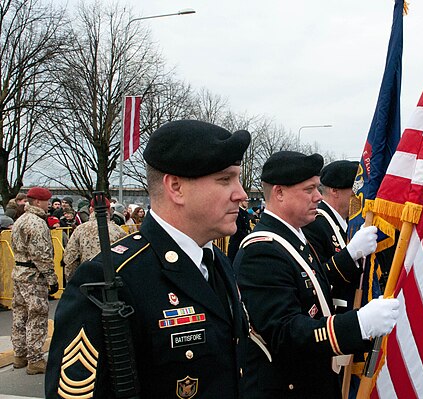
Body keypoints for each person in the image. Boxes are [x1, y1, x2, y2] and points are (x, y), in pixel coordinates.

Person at [46, 120, 251, 398]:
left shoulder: (215, 261)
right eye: (225, 179)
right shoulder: (110, 280)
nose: (241, 194)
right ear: (176, 187)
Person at [234, 151, 400, 399]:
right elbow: (285, 333)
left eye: (318, 188)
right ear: (279, 193)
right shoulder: (262, 250)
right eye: (309, 189)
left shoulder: (296, 238)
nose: (318, 197)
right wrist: (357, 325)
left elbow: (319, 291)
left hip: (314, 377)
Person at [303, 160, 377, 314]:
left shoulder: (347, 223)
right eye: (354, 191)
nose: (359, 197)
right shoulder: (315, 223)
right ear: (334, 191)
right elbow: (317, 278)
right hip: (334, 316)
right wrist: (351, 253)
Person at [11, 186, 59, 375]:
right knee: (37, 317)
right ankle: (35, 359)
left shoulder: (20, 220)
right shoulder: (37, 224)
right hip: (33, 276)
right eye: (47, 201)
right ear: (38, 202)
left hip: (19, 272)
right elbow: (42, 255)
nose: (48, 205)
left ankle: (20, 355)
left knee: (19, 316)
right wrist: (51, 278)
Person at [62, 198, 127, 281]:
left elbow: (70, 258)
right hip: (111, 279)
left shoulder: (80, 229)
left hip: (87, 279)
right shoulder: (119, 231)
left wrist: (72, 280)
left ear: (91, 209)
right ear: (109, 210)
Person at [227, 196, 252, 261]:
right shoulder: (237, 212)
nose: (247, 203)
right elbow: (237, 229)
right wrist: (246, 236)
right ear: (241, 202)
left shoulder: (244, 213)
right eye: (246, 201)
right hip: (237, 243)